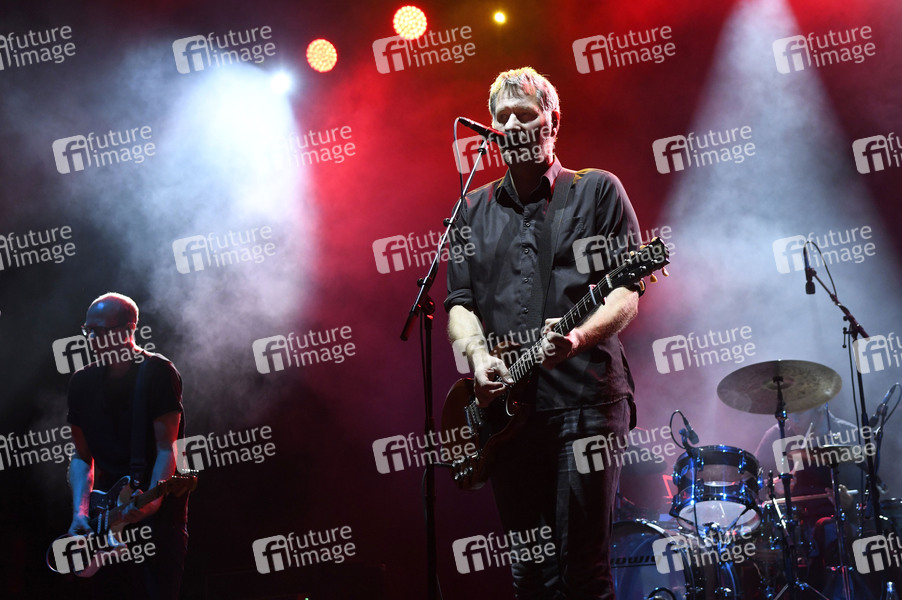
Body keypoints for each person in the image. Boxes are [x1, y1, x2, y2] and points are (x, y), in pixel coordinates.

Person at [445, 68, 644, 599]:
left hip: (585, 401)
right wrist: (477, 358)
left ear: (552, 122)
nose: (512, 125)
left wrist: (577, 338)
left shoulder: (596, 191)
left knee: (582, 572)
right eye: (502, 117)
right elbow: (459, 303)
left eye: (525, 115)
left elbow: (627, 292)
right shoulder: (471, 209)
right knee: (529, 576)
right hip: (508, 413)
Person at [67, 292, 188, 599]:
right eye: (88, 330)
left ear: (128, 329)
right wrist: (80, 511)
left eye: (100, 331)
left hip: (156, 518)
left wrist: (153, 502)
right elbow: (81, 457)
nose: (92, 339)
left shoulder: (158, 372)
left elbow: (167, 447)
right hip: (105, 516)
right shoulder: (81, 382)